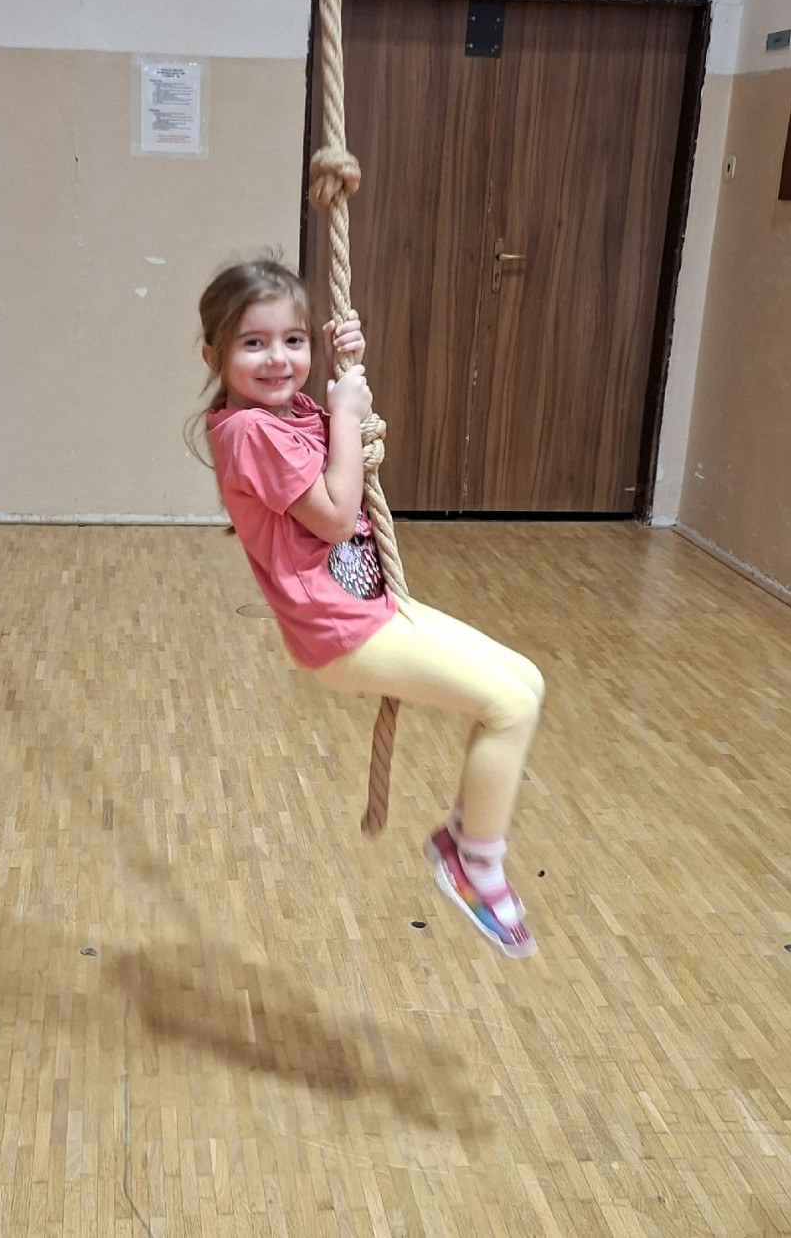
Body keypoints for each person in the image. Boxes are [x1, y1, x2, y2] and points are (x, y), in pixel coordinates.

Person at [193, 259, 545, 958]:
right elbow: (332, 516)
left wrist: (340, 368)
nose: (277, 358)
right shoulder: (248, 432)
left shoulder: (288, 412)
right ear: (213, 356)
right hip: (341, 632)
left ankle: (462, 833)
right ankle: (474, 866)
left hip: (369, 608)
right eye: (253, 343)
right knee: (507, 707)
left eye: (293, 340)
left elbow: (331, 447)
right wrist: (350, 414)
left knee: (527, 682)